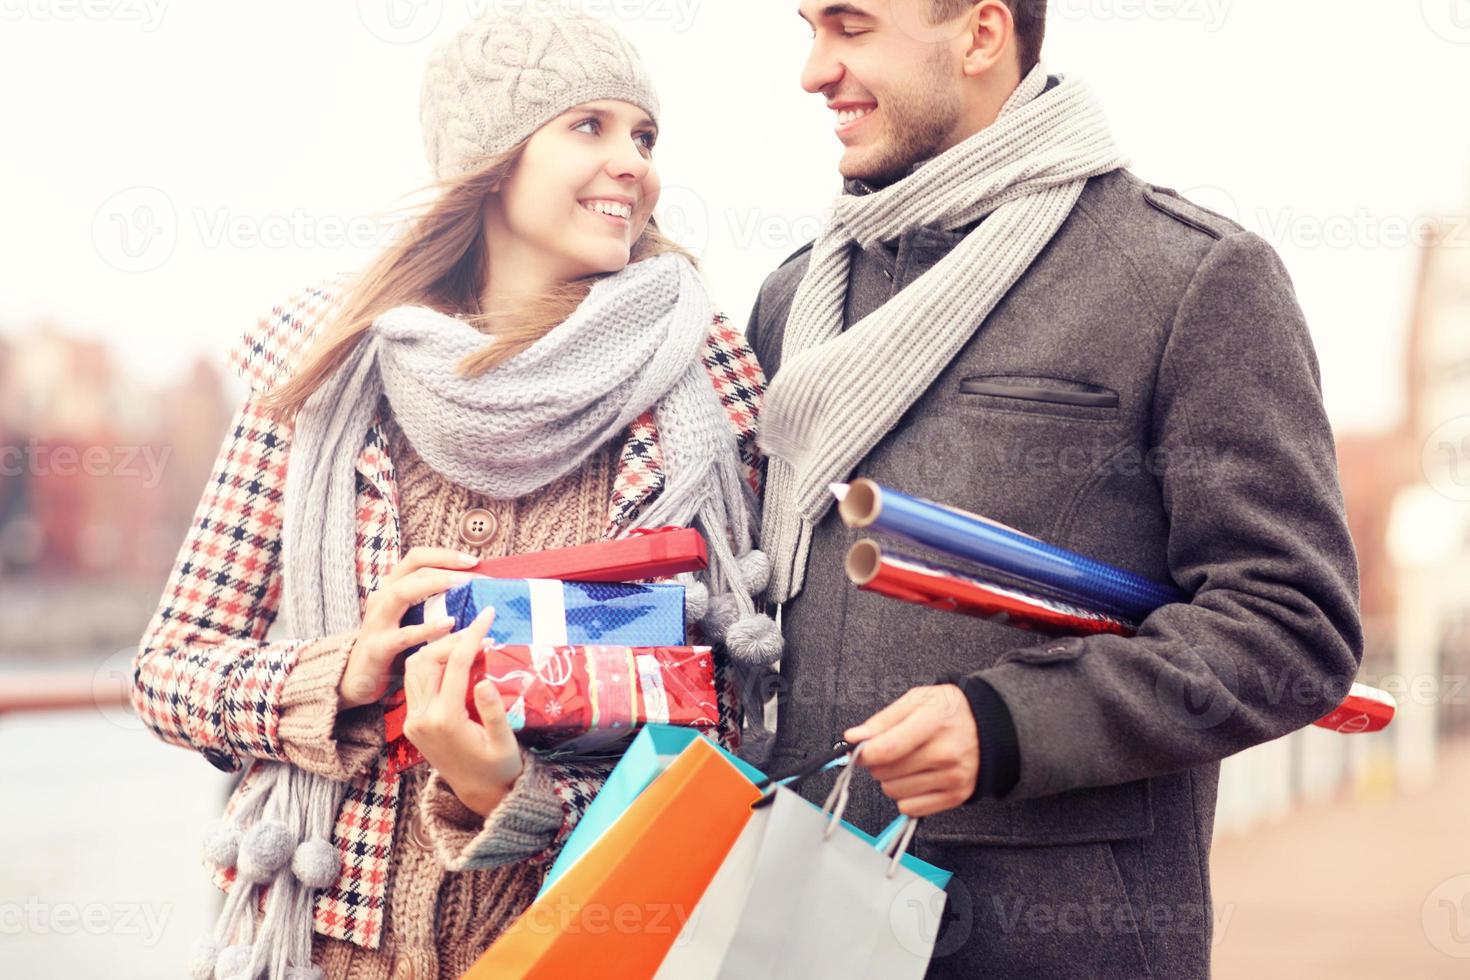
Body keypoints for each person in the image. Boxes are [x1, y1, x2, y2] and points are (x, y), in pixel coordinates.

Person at [131, 11, 771, 980]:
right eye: (588, 127)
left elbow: (729, 730)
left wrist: (501, 788)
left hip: (581, 945)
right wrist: (347, 672)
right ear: (493, 160)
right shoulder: (328, 375)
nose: (633, 162)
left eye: (643, 134)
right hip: (328, 945)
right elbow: (167, 675)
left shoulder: (704, 385)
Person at [745, 2, 1363, 977]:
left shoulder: (1190, 276)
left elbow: (1293, 627)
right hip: (791, 925)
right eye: (810, 28)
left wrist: (1006, 726)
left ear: (982, 36)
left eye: (851, 28)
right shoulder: (794, 298)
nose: (813, 69)